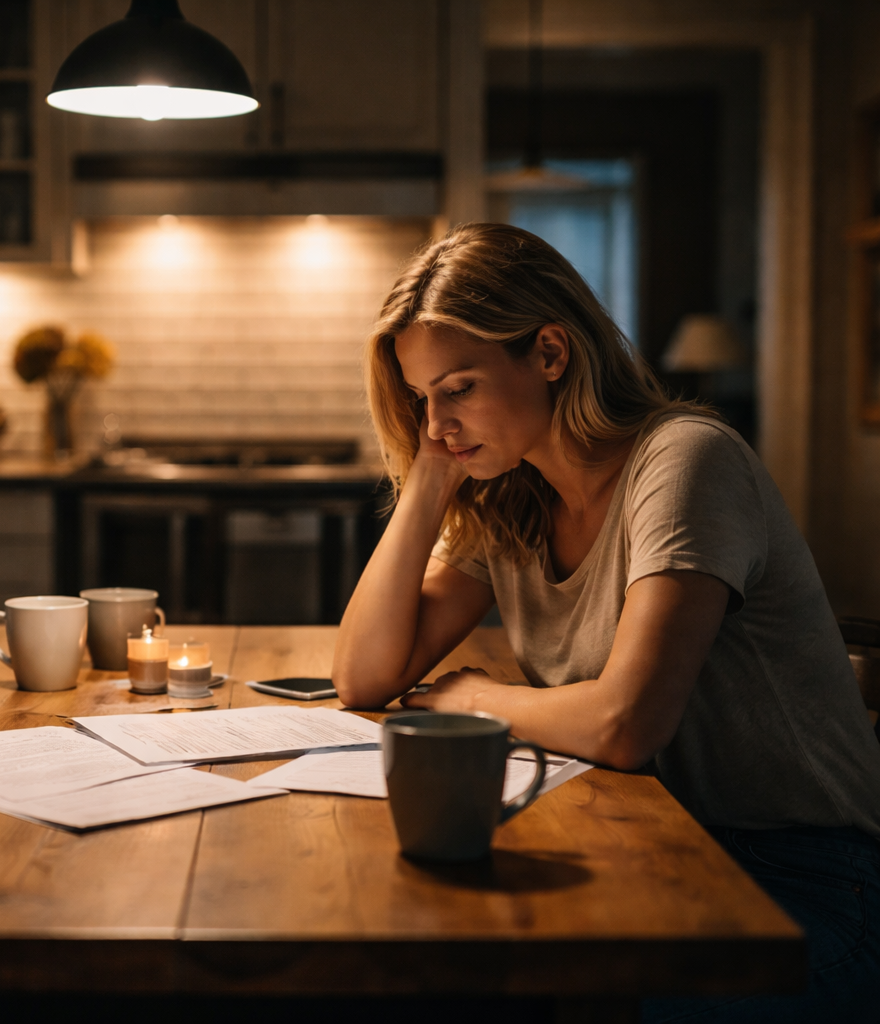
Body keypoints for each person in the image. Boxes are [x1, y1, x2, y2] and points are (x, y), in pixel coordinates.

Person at [333, 223, 880, 1020]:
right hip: (653, 851)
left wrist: (470, 699)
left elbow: (626, 722)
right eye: (422, 399)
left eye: (459, 388)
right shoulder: (513, 495)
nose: (439, 422)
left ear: (551, 354)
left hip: (802, 878)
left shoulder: (686, 461)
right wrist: (428, 481)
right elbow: (365, 675)